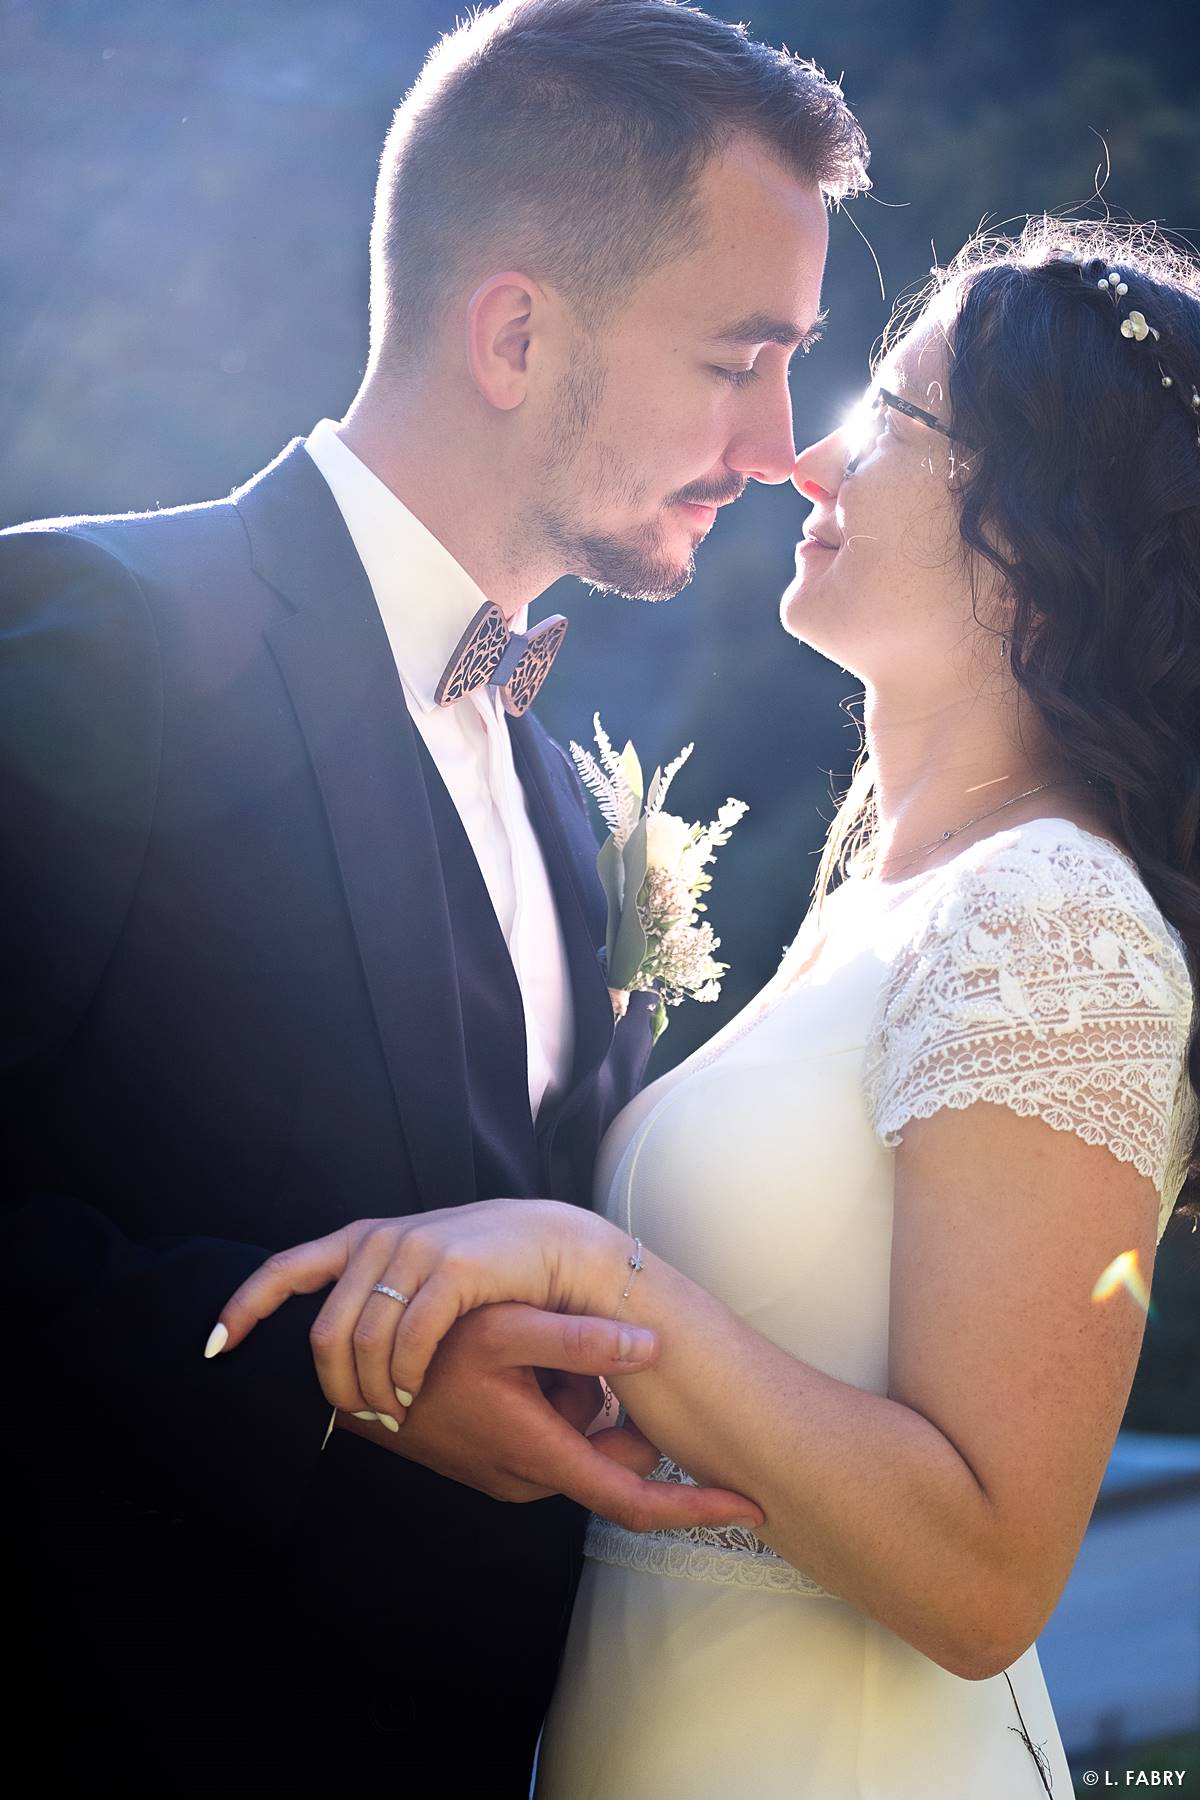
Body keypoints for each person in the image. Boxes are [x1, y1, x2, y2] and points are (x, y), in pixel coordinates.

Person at [1, 0, 869, 1788]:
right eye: (736, 357)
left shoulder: (564, 786)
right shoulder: (91, 645)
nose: (784, 442)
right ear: (514, 331)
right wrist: (332, 1373)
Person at [219, 217, 1200, 1796]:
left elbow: (986, 1574)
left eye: (892, 417)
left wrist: (602, 1279)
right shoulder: (884, 906)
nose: (811, 461)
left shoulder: (1054, 918)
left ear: (1044, 525)